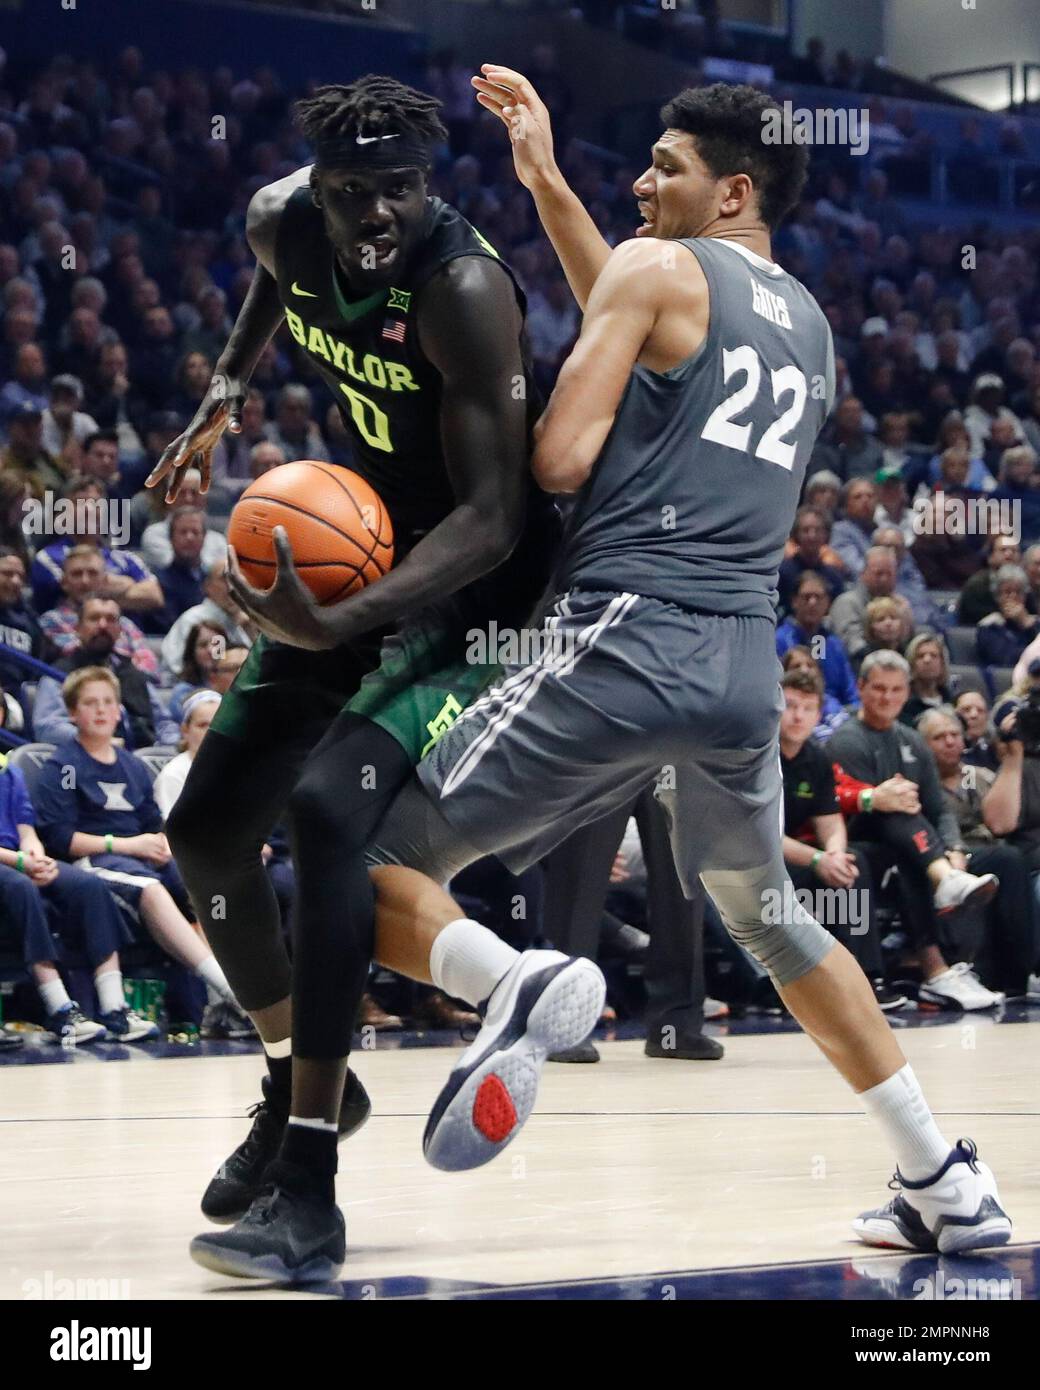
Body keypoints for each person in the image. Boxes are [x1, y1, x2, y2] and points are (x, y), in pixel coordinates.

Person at [191, 72, 1010, 1280]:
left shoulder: (648, 269)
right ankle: (942, 1178)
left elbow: (563, 457)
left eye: (664, 167)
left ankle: (516, 983)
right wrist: (547, 183)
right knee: (773, 922)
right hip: (739, 663)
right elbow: (652, 326)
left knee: (359, 861)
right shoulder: (804, 321)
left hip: (619, 638)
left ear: (729, 187)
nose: (640, 185)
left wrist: (428, 430)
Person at [147, 75, 559, 1244]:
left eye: (398, 191)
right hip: (358, 548)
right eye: (352, 194)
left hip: (472, 588)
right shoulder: (279, 222)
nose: (376, 214)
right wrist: (227, 387)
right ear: (313, 190)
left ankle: (311, 1189)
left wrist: (345, 622)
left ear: (427, 184)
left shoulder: (464, 290)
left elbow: (495, 514)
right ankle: (296, 1078)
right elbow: (271, 285)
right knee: (209, 825)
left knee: (330, 812)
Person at [33, 667, 251, 1037]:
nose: (101, 711)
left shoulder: (133, 765)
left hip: (140, 858)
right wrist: (129, 845)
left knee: (200, 882)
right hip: (94, 862)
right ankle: (237, 993)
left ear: (119, 711)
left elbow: (156, 825)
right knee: (150, 888)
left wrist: (163, 844)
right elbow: (60, 839)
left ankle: (224, 1000)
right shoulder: (62, 766)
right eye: (90, 703)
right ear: (72, 713)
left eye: (108, 702)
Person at [828, 651, 1003, 1011]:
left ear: (907, 691)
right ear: (860, 688)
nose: (887, 698)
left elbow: (938, 808)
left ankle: (1008, 976)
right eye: (878, 688)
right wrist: (883, 799)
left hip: (914, 845)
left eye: (895, 690)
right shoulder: (846, 740)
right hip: (856, 840)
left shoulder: (912, 739)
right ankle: (936, 965)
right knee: (897, 809)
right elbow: (846, 807)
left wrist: (954, 848)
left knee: (1008, 858)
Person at [0, 748, 158, 1043]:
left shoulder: (10, 769)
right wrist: (20, 863)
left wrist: (35, 855)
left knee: (89, 886)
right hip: (8, 865)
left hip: (19, 861)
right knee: (22, 889)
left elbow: (26, 830)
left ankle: (114, 1008)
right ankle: (60, 1008)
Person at [778, 667, 905, 1010]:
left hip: (805, 855)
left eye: (807, 708)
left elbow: (831, 823)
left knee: (852, 863)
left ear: (819, 714)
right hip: (761, 859)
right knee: (800, 877)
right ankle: (789, 987)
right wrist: (819, 859)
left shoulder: (816, 759)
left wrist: (834, 855)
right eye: (790, 706)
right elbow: (760, 835)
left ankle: (866, 979)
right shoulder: (758, 757)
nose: (798, 715)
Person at [921, 707, 1038, 999]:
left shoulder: (981, 775)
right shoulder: (919, 781)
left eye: (954, 735)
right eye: (939, 737)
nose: (950, 742)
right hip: (942, 856)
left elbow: (1002, 823)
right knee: (1008, 859)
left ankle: (1020, 972)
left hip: (992, 852)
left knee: (1012, 859)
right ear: (922, 745)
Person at [33, 593, 177, 748]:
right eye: (94, 618)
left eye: (110, 619)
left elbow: (165, 724)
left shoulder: (133, 673)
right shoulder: (59, 674)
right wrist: (96, 739)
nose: (103, 625)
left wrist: (174, 745)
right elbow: (47, 727)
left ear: (120, 630)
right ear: (77, 628)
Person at [39, 544, 158, 675]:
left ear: (105, 580)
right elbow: (80, 656)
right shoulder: (50, 621)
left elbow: (149, 665)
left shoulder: (124, 624)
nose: (85, 581)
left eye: (93, 573)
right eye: (77, 574)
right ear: (64, 583)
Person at [774, 570, 859, 707]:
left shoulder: (833, 644)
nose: (812, 602)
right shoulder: (779, 640)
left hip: (836, 716)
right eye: (806, 597)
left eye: (818, 597)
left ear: (828, 603)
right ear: (794, 601)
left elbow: (850, 692)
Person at [159, 556, 251, 679]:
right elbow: (176, 668)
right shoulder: (193, 619)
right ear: (207, 586)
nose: (232, 586)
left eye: (236, 578)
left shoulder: (238, 624)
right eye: (224, 578)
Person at [975, 565, 1040, 669]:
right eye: (1007, 592)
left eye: (1018, 592)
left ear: (1024, 596)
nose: (1013, 597)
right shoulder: (988, 626)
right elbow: (1006, 660)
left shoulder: (1035, 623)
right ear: (997, 596)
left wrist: (1027, 625)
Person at [898, 632, 953, 728]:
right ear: (911, 664)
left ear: (942, 663)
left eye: (934, 655)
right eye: (920, 656)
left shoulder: (951, 700)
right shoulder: (902, 702)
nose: (927, 660)